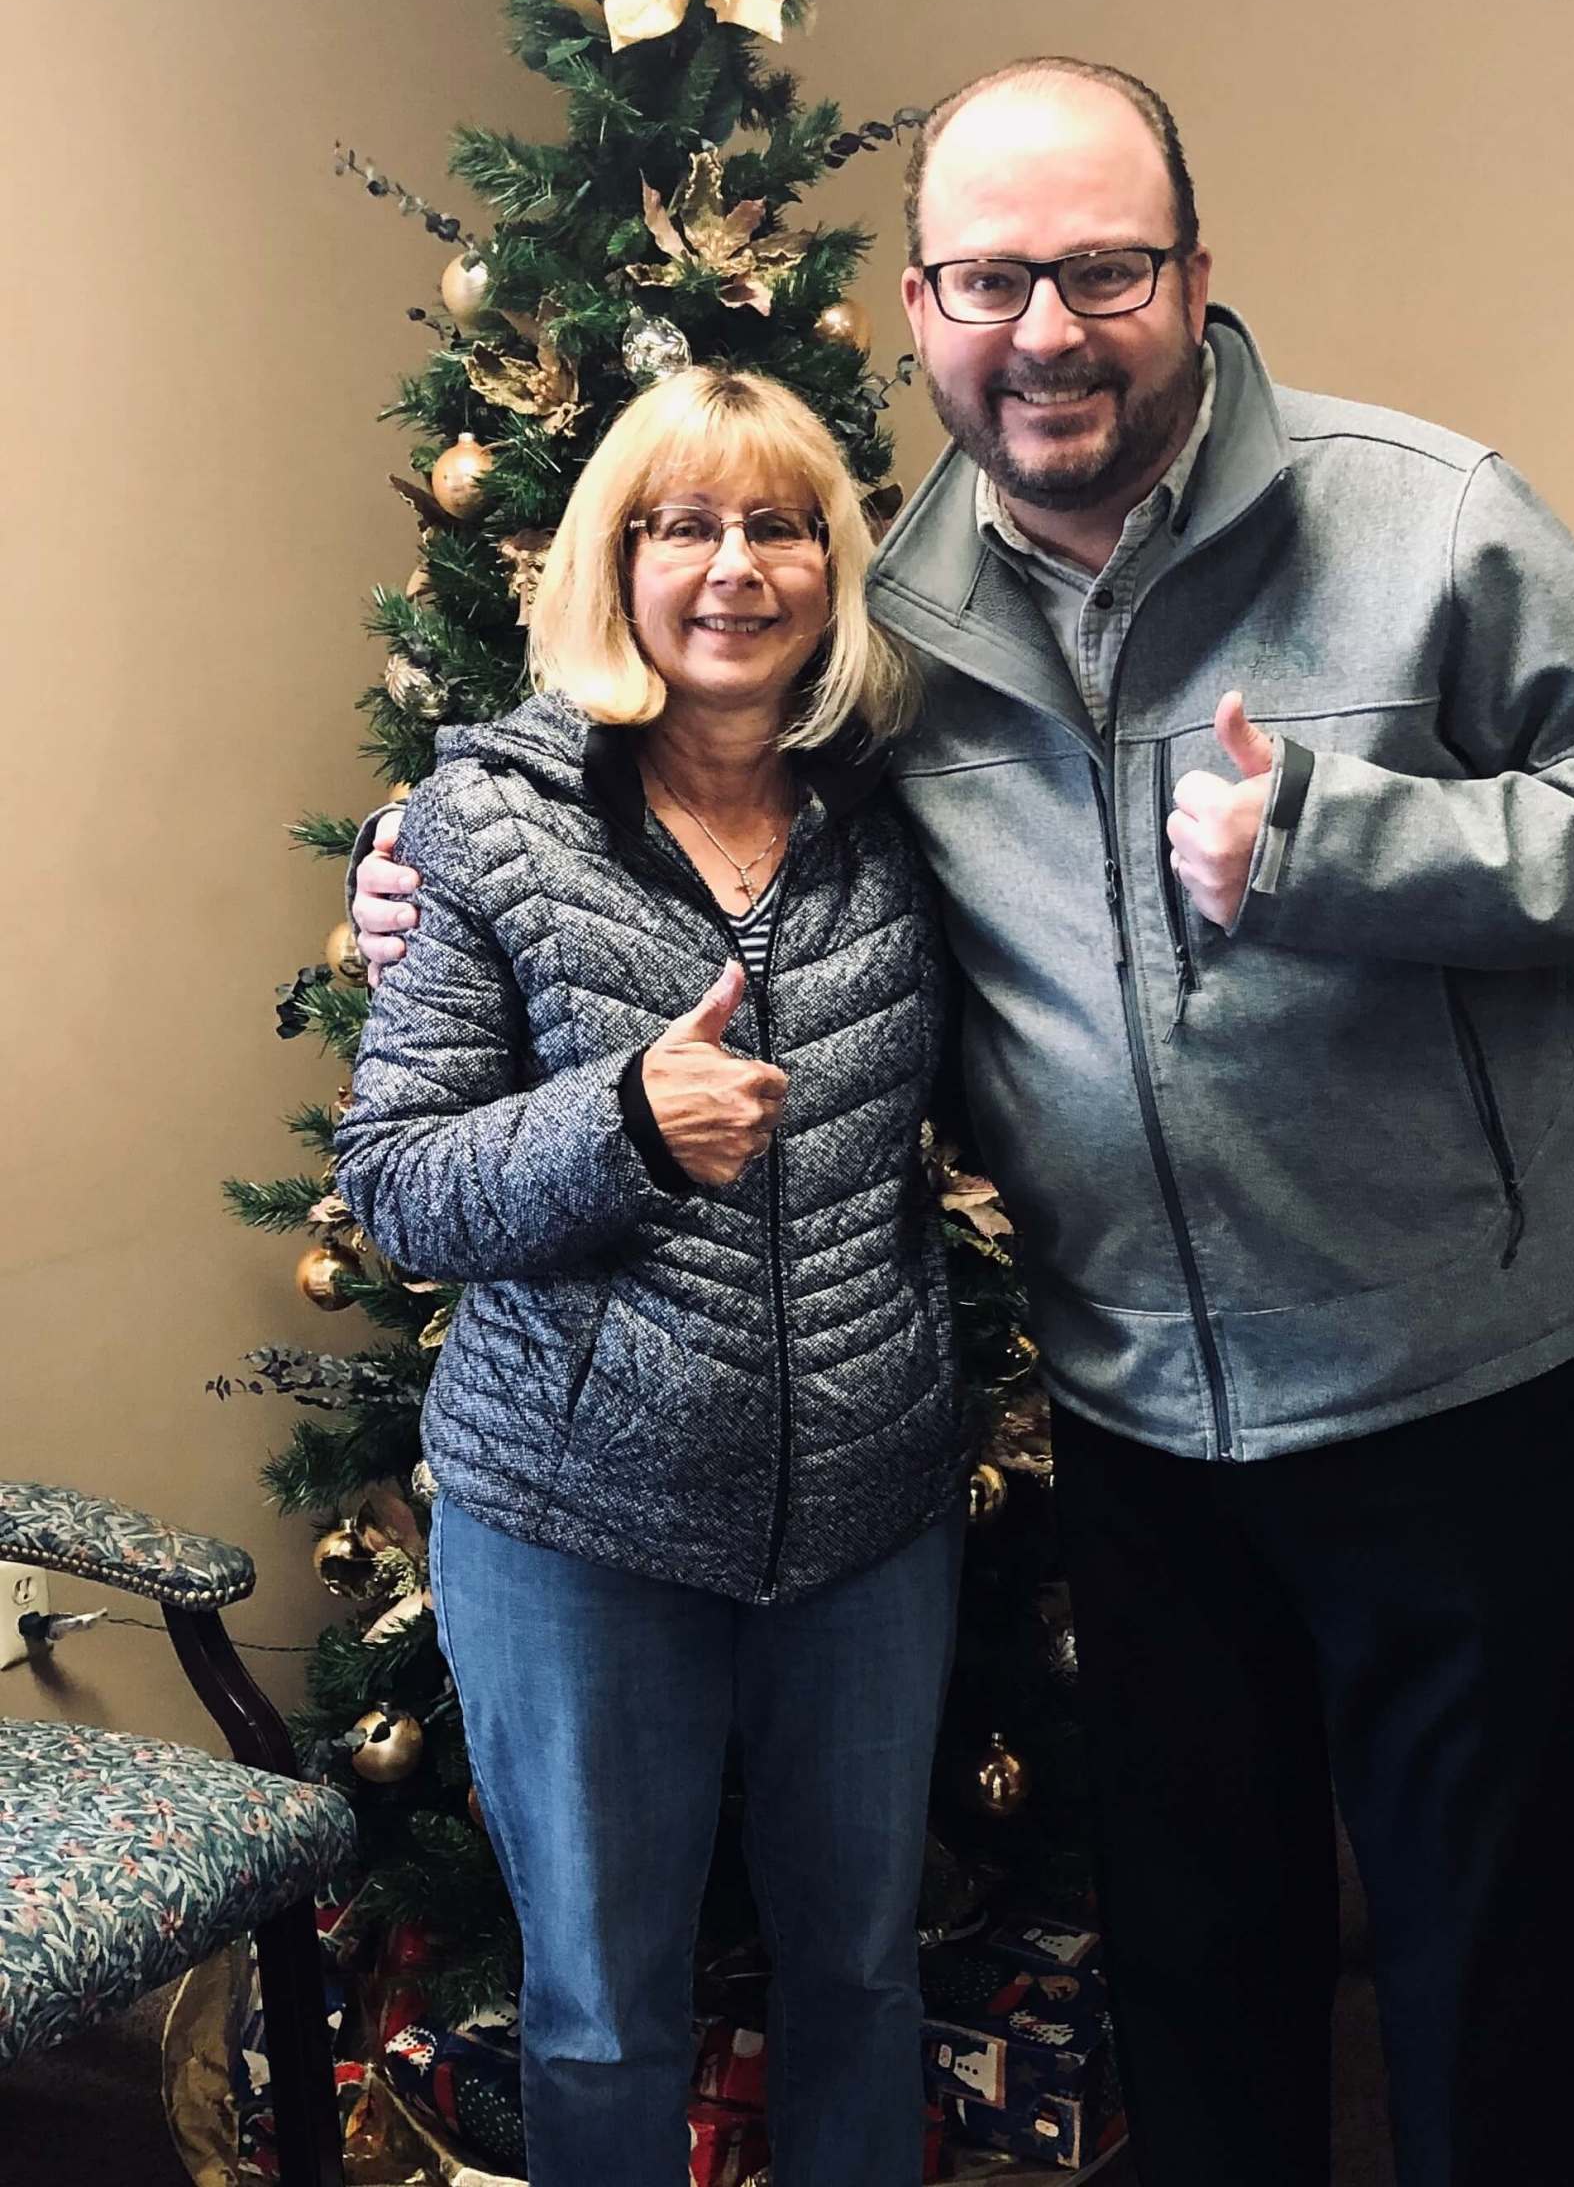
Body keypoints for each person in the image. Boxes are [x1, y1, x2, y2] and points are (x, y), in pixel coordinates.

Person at [354, 60, 1574, 2187]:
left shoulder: (1425, 515)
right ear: (921, 307)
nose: (1046, 330)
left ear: (1196, 278)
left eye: (1101, 269)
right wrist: (422, 850)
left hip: (1448, 1384)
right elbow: (668, 735)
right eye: (991, 278)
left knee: (1486, 1964)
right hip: (1138, 1417)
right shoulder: (887, 618)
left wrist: (1344, 842)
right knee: (1203, 1957)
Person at [333, 364, 968, 2187]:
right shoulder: (485, 827)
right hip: (575, 1529)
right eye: (679, 525)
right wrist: (618, 1119)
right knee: (604, 2009)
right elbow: (398, 1184)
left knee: (861, 1976)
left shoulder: (906, 812)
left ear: (835, 568)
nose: (733, 568)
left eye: (779, 525)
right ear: (609, 563)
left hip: (870, 1513)